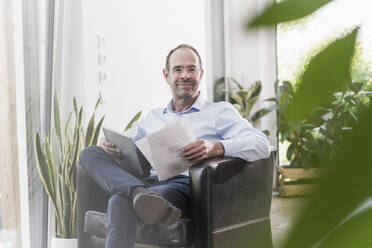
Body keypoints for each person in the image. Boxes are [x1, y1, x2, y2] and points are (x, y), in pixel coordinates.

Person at [79, 44, 271, 248]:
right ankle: (138, 193)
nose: (185, 75)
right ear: (167, 75)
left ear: (201, 73)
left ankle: (139, 194)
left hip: (185, 187)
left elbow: (262, 144)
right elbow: (123, 140)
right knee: (89, 153)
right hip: (150, 184)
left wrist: (216, 147)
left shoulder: (219, 112)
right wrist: (108, 145)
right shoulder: (152, 118)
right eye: (178, 69)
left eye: (191, 69)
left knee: (118, 201)